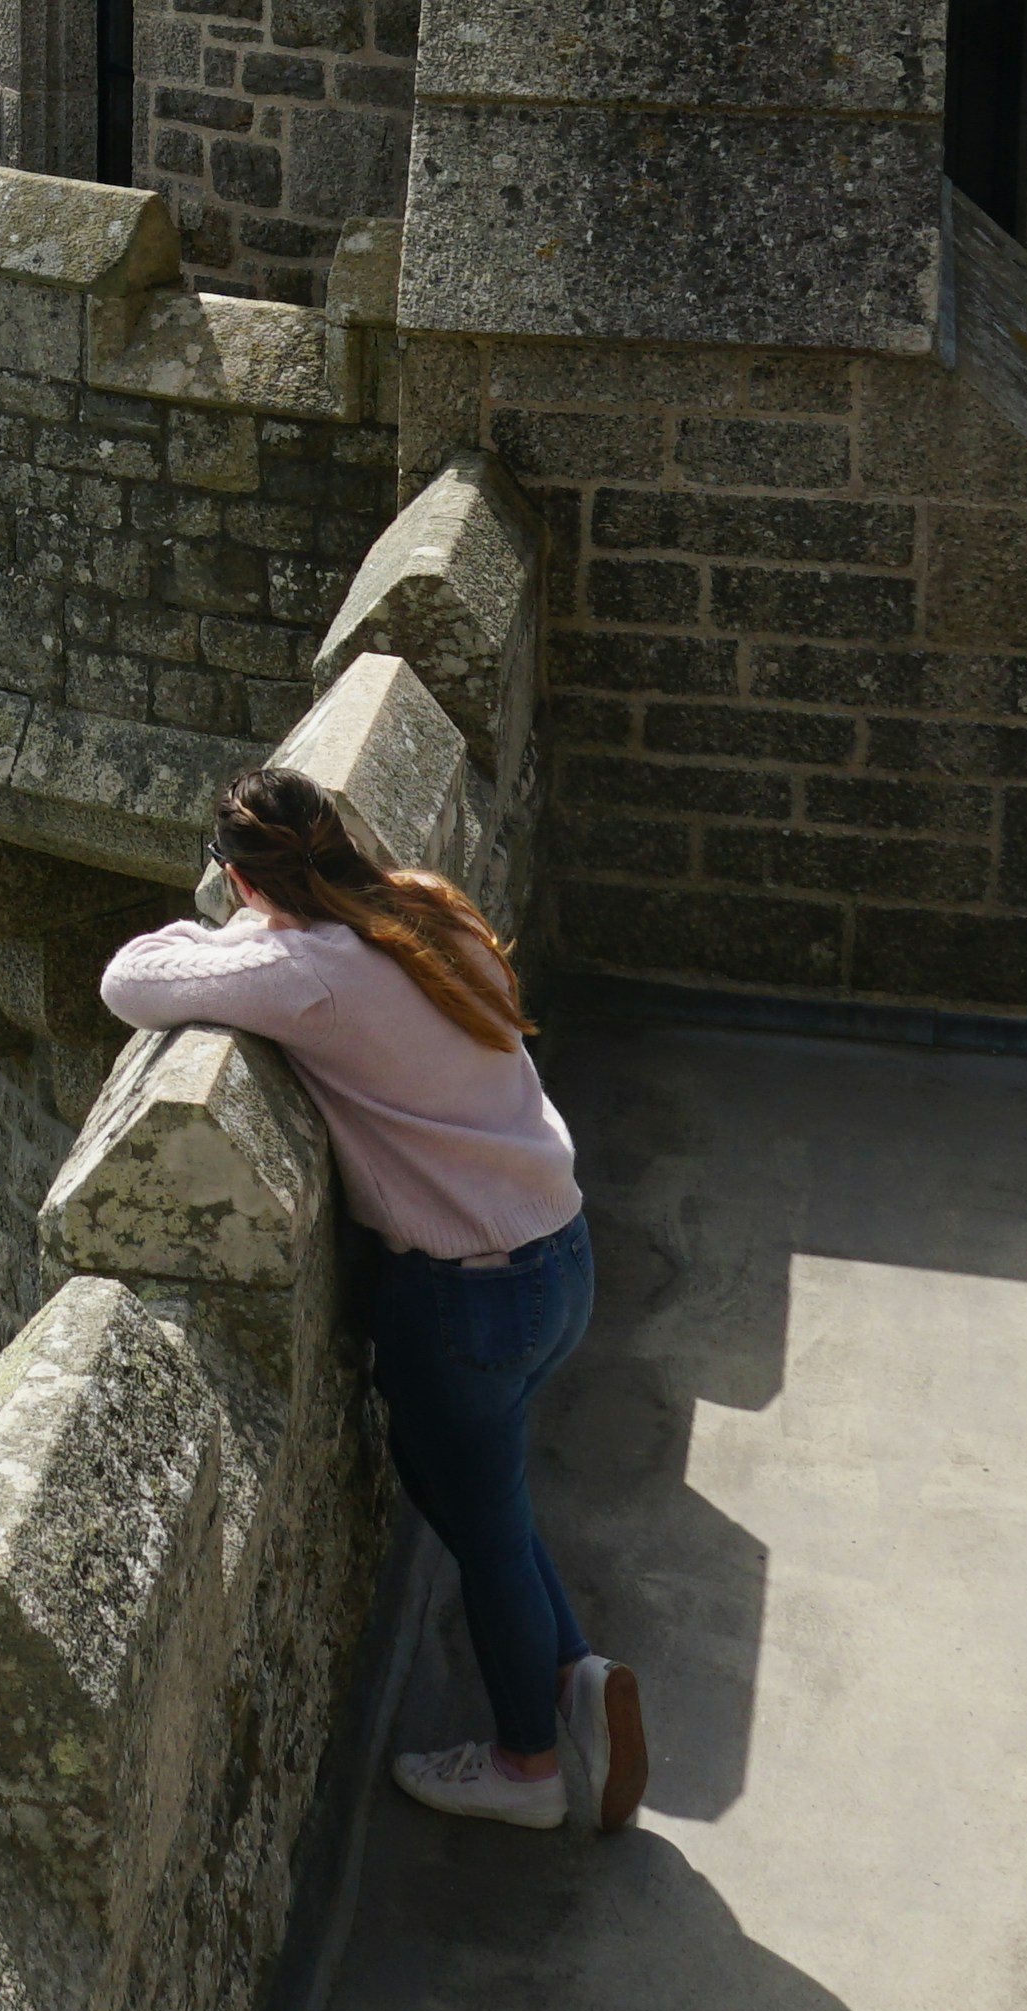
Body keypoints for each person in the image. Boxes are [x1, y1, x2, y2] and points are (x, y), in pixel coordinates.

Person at [96, 770, 640, 1837]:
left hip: (471, 1297)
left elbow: (130, 979)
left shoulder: (307, 973)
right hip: (561, 1256)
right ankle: (576, 1676)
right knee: (476, 1499)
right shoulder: (425, 908)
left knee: (481, 1527)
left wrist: (218, 934)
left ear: (243, 880)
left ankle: (529, 1763)